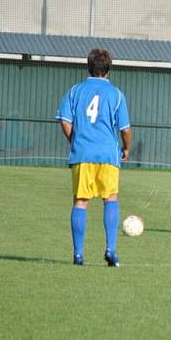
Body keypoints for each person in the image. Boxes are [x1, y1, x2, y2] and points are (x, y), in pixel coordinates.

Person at [56, 48, 132, 266]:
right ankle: (111, 249)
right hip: (108, 154)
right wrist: (126, 148)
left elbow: (64, 120)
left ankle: (78, 254)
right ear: (108, 69)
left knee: (81, 201)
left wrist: (75, 140)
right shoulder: (116, 94)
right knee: (110, 198)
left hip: (82, 153)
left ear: (89, 66)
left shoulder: (75, 91)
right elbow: (125, 129)